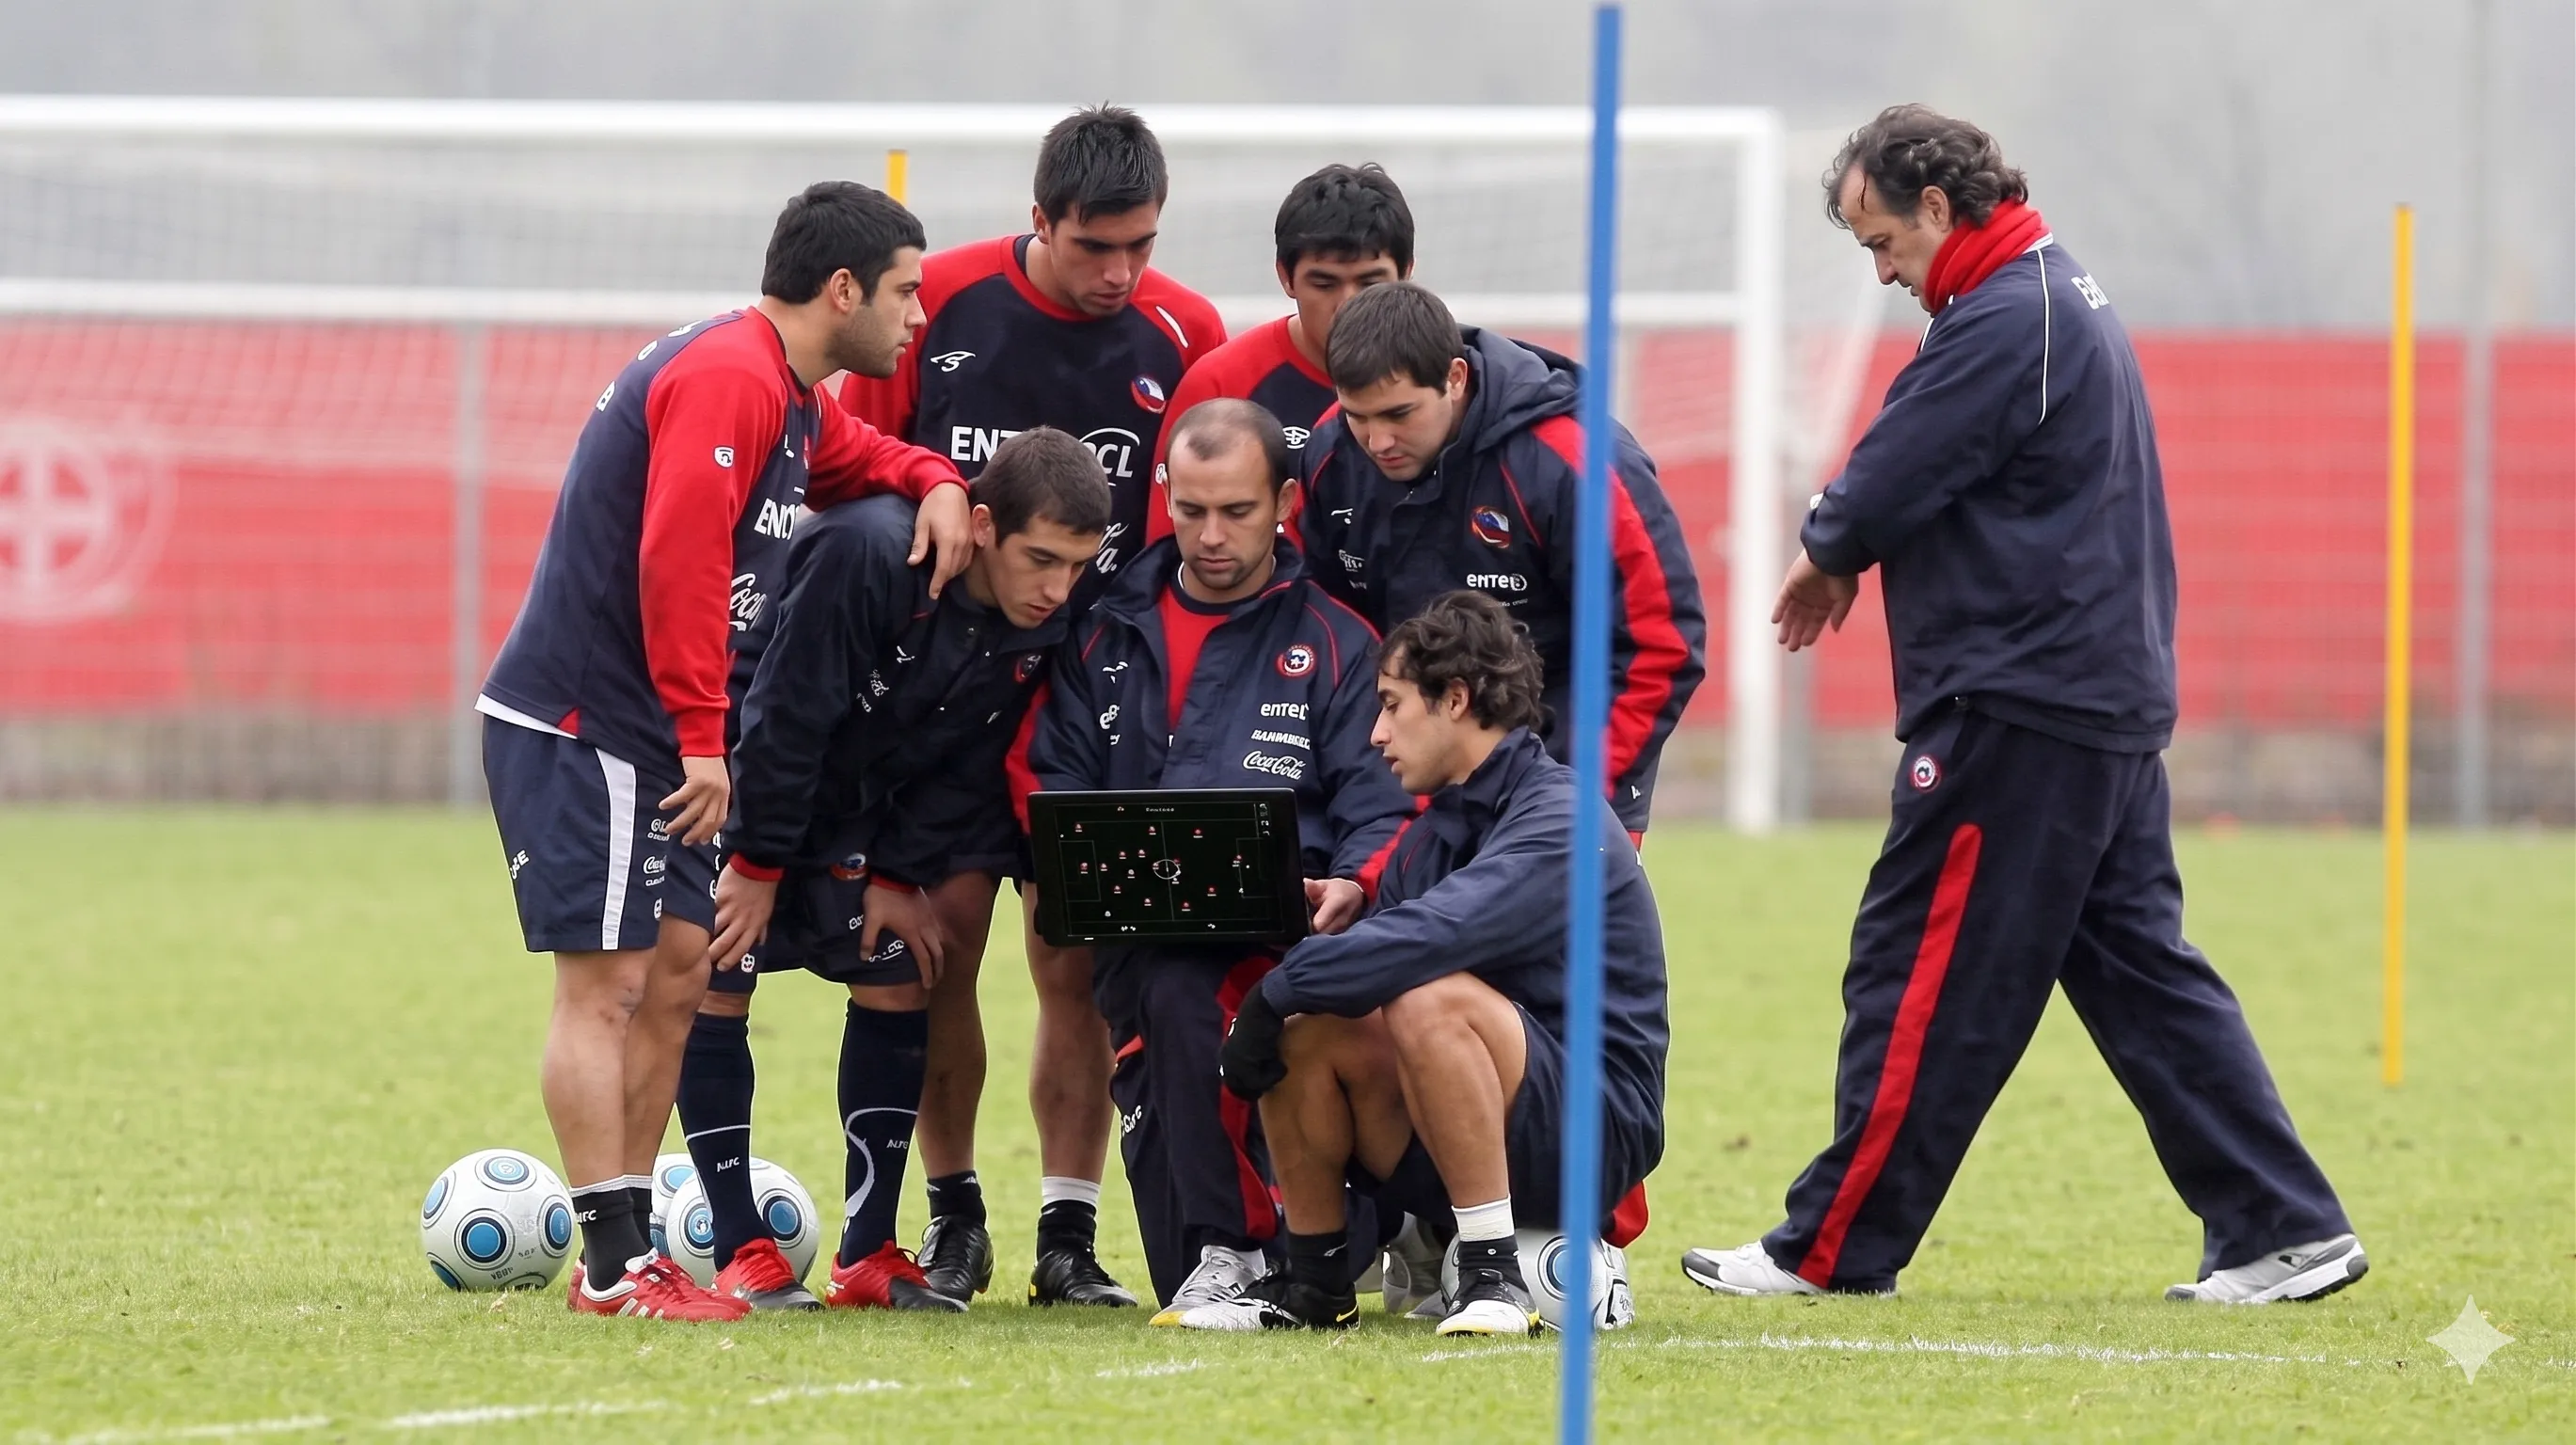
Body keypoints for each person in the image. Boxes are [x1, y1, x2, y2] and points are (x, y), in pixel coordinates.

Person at [1679, 105, 2366, 1305]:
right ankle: (2279, 1225)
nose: (1882, 270)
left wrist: (1828, 545)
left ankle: (1829, 1249)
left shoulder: (2008, 316)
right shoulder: (2052, 294)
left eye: (1880, 239)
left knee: (1919, 973)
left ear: (1939, 209)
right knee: (2140, 975)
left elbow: (1896, 462)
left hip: (2019, 705)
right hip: (2086, 700)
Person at [476, 181, 975, 1321]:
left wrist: (939, 480)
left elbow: (870, 456)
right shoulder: (727, 375)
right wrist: (706, 744)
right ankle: (614, 1267)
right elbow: (678, 561)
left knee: (679, 978)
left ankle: (630, 1251)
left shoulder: (789, 396)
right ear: (840, 288)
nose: (915, 319)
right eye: (903, 292)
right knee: (606, 989)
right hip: (585, 724)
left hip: (650, 735)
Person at [839, 105, 1227, 1306]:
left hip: (1095, 710)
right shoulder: (936, 305)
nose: (1119, 274)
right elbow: (852, 463)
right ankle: (955, 1223)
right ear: (1039, 220)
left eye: (1140, 246)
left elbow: (1199, 519)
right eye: (1093, 247)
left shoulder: (1187, 330)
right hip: (949, 712)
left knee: (1073, 966)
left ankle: (1069, 1235)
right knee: (939, 956)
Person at [676, 429, 1110, 1312]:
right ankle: (737, 1245)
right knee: (718, 974)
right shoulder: (871, 552)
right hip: (742, 782)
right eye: (1040, 560)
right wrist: (756, 865)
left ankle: (866, 1252)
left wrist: (894, 872)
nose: (1058, 589)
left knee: (902, 965)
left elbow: (962, 762)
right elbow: (786, 717)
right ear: (982, 526)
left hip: (854, 819)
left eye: (1076, 565)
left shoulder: (1049, 611)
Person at [1015, 399, 1413, 1320]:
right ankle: (1256, 1250)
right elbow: (1050, 776)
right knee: (1166, 982)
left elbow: (1383, 797)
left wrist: (1353, 880)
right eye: (1189, 510)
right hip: (1137, 948)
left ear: (1282, 499)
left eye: (1235, 511)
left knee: (1182, 988)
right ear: (1163, 497)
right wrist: (1080, 868)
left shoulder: (1340, 643)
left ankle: (1248, 1248)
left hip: (1297, 950)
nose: (1210, 535)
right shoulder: (1102, 632)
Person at [1210, 591, 1668, 1336]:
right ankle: (1316, 1287)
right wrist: (1286, 1002)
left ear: (1455, 699)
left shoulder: (1560, 817)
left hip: (1594, 1136)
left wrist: (1274, 989)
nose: (1377, 732)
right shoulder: (1434, 832)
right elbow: (1372, 971)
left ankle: (1494, 1278)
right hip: (1471, 1119)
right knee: (1312, 1024)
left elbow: (1429, 941)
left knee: (1423, 994)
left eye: (1391, 706)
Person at [1297, 280, 1705, 842]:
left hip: (1563, 782)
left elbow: (1662, 643)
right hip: (1403, 786)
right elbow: (1330, 634)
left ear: (1455, 379)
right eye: (1358, 417)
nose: (1378, 439)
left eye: (1399, 414)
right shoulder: (1329, 455)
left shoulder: (1575, 463)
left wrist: (1566, 794)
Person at [1144, 162, 1414, 542]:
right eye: (1324, 284)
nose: (1348, 305)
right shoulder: (1221, 383)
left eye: (1370, 283)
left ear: (1406, 273)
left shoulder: (1446, 380)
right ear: (1286, 277)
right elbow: (1168, 552)